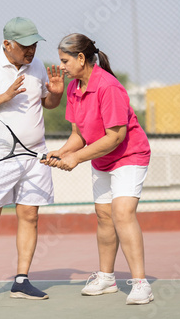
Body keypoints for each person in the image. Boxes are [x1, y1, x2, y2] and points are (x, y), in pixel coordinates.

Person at [42, 33, 153, 305]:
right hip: (102, 158)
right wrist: (63, 151)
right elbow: (79, 134)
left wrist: (76, 158)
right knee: (104, 215)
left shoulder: (109, 87)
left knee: (121, 213)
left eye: (65, 61)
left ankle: (141, 284)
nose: (62, 67)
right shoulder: (73, 89)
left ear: (81, 58)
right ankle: (106, 277)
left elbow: (115, 136)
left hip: (129, 154)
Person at [0, 17, 64, 304]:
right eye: (24, 45)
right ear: (7, 44)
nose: (30, 50)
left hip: (34, 155)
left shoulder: (39, 65)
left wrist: (56, 94)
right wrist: (3, 96)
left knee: (30, 216)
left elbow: (47, 103)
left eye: (34, 44)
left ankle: (21, 281)